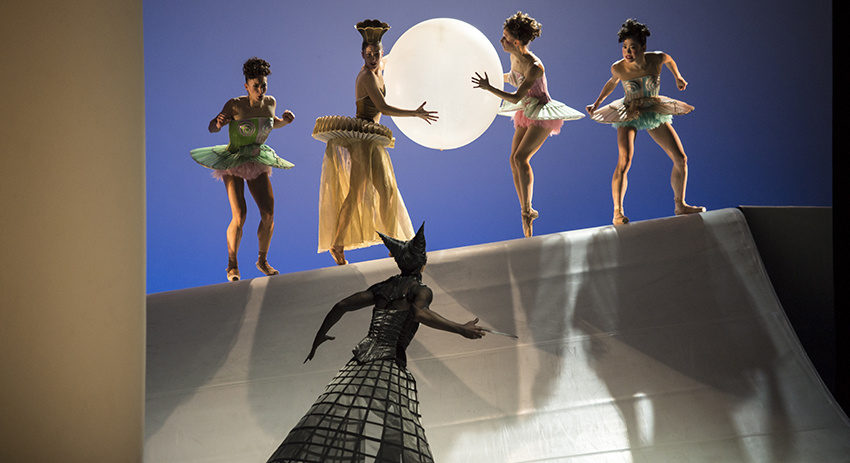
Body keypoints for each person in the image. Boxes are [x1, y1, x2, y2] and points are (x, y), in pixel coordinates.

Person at [266, 224, 485, 462]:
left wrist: (320, 335)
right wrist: (460, 328)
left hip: (360, 362)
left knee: (354, 416)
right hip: (387, 363)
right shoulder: (420, 290)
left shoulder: (383, 288)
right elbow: (420, 313)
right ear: (423, 263)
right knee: (396, 424)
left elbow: (342, 305)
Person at [314, 19, 438, 265]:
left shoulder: (380, 65)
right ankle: (337, 244)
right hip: (362, 138)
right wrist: (415, 113)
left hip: (373, 139)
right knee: (357, 192)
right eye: (369, 54)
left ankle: (392, 243)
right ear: (362, 54)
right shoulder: (367, 76)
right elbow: (383, 107)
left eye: (377, 54)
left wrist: (417, 49)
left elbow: (395, 57)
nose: (373, 58)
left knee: (387, 190)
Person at [472, 11, 584, 237]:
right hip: (526, 109)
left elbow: (515, 97)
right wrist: (494, 77)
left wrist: (489, 87)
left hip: (541, 111)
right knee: (513, 159)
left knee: (521, 158)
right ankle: (524, 208)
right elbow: (512, 77)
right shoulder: (513, 57)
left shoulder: (535, 66)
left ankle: (527, 210)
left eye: (505, 37)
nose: (501, 41)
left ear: (516, 41)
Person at [586, 19, 704, 225]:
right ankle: (617, 213)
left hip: (652, 110)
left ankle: (680, 204)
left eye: (632, 47)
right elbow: (611, 83)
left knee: (681, 158)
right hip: (629, 111)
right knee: (625, 160)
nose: (627, 52)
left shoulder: (656, 58)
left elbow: (670, 60)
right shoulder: (619, 67)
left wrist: (678, 77)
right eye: (624, 47)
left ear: (643, 47)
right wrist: (596, 103)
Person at [190, 57, 295, 281]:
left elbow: (271, 122)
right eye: (255, 86)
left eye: (263, 85)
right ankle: (232, 265)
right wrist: (218, 123)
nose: (260, 90)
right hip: (234, 161)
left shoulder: (270, 102)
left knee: (268, 213)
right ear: (246, 86)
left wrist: (284, 121)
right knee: (240, 215)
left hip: (256, 158)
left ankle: (262, 261)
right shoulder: (235, 105)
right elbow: (212, 127)